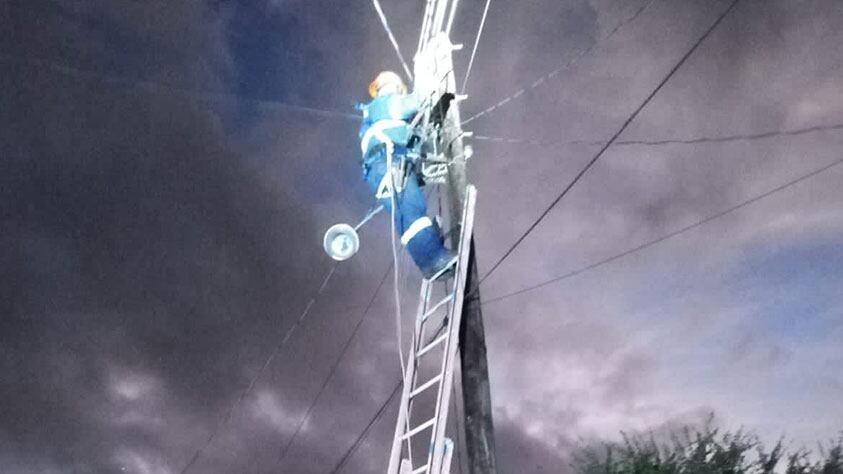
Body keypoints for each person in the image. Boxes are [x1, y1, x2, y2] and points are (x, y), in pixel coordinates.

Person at [358, 71, 455, 279]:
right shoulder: (383, 105)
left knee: (407, 213)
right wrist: (428, 87)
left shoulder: (375, 119)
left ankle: (429, 256)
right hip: (388, 164)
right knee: (412, 208)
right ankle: (433, 258)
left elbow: (415, 139)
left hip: (383, 168)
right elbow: (410, 104)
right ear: (387, 87)